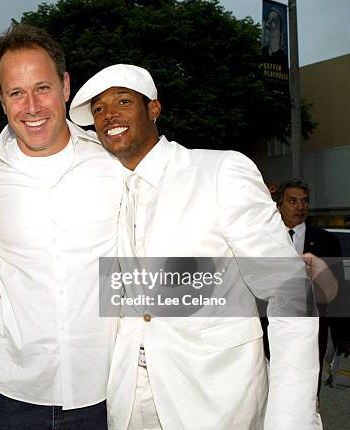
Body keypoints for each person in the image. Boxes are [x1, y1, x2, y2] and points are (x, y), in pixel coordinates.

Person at [69, 64, 321, 429]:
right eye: (99, 110)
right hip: (128, 397)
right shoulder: (108, 188)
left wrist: (290, 418)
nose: (110, 115)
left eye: (123, 101)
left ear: (154, 109)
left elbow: (289, 291)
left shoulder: (219, 171)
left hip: (215, 400)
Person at [0, 24, 123, 429]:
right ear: (1, 100)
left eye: (42, 88)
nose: (31, 106)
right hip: (12, 392)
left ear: (66, 86)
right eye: (16, 93)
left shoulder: (116, 163)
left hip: (108, 389)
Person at [273, 179, 347, 392]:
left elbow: (338, 290)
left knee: (306, 392)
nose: (300, 206)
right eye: (293, 201)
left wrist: (341, 335)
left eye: (304, 201)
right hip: (270, 329)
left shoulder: (326, 240)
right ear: (279, 206)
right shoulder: (265, 239)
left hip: (312, 330)